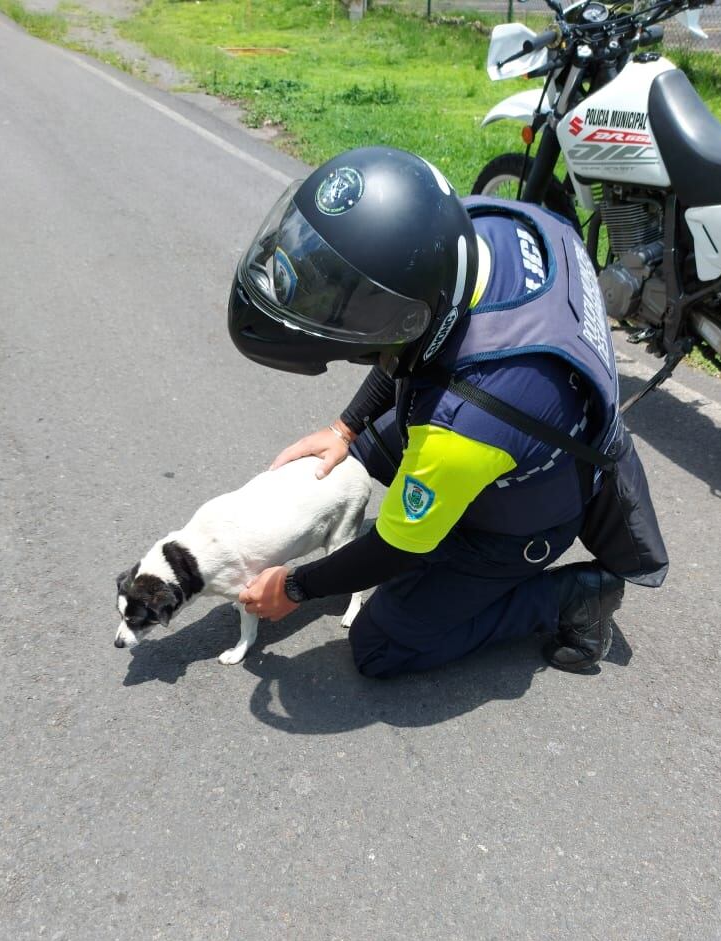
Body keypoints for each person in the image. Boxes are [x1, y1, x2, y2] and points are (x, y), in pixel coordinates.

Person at [227, 146, 660, 678]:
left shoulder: (464, 425)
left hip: (520, 519)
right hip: (511, 430)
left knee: (380, 648)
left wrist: (295, 586)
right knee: (346, 463)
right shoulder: (485, 223)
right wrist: (346, 427)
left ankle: (571, 596)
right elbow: (414, 340)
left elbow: (393, 548)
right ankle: (438, 545)